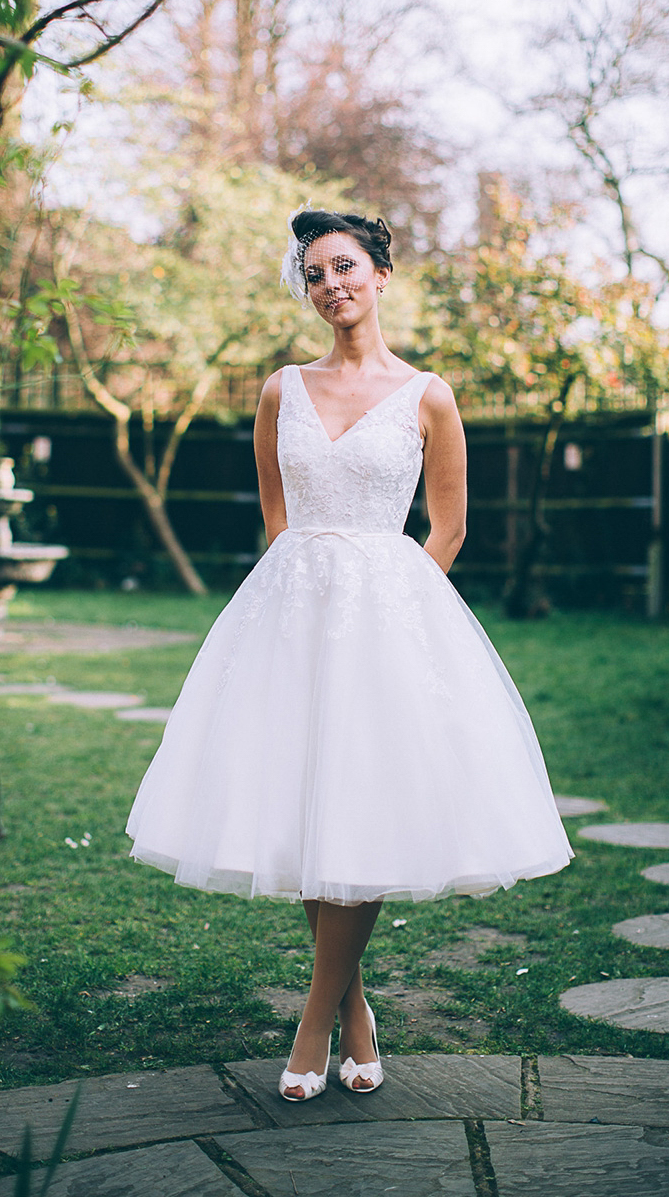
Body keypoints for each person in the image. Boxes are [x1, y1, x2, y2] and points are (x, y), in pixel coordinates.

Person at [126, 208, 573, 1102]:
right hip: (288, 618)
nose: (330, 285)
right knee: (304, 802)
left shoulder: (428, 395)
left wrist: (395, 605)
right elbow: (277, 513)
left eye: (344, 267)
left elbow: (447, 527)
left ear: (380, 275)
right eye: (315, 273)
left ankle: (313, 1021)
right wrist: (310, 587)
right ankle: (356, 1010)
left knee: (361, 803)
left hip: (386, 627)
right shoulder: (278, 390)